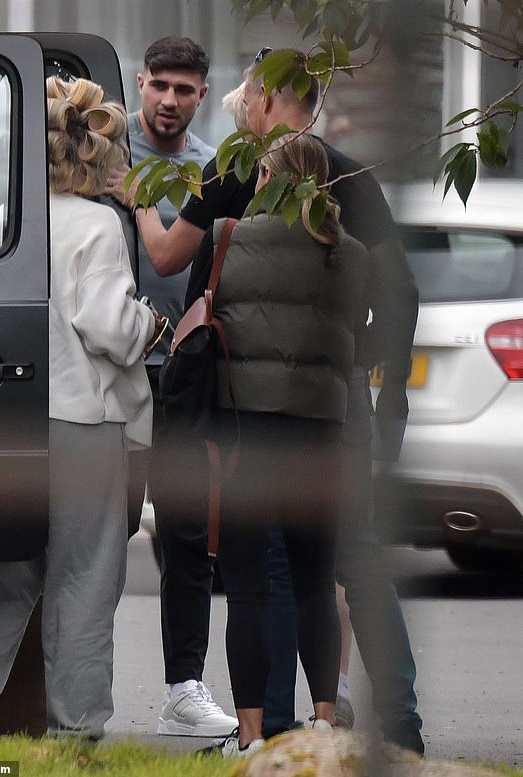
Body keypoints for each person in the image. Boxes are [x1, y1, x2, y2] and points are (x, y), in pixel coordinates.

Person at [109, 48, 424, 755]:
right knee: (347, 561)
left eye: (248, 96)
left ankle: (266, 733)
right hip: (333, 408)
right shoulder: (353, 181)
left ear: (266, 99)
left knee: (261, 574)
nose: (243, 107)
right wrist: (376, 373)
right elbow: (396, 290)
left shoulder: (227, 177)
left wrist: (134, 198)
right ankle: (385, 722)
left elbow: (172, 267)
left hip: (243, 414)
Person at [0, 76, 159, 741]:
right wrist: (152, 323)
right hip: (85, 427)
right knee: (83, 586)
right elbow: (108, 326)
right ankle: (76, 735)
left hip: (14, 421)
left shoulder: (9, 221)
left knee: (3, 585)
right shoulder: (101, 225)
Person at [183, 132, 367, 754]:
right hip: (321, 436)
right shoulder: (352, 254)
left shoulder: (225, 237)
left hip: (245, 436)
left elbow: (198, 321)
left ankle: (255, 735)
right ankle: (321, 724)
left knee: (250, 588)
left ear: (271, 179)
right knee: (317, 582)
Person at [118, 36, 238, 738]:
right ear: (140, 83)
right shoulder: (106, 153)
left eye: (183, 90)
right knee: (101, 535)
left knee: (189, 535)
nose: (168, 101)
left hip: (185, 376)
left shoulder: (213, 168)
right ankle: (66, 687)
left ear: (201, 93)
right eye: (159, 85)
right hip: (109, 373)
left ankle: (183, 687)